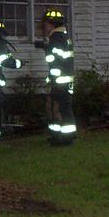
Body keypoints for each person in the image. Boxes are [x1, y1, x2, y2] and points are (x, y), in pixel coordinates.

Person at [36, 8, 76, 145]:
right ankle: (57, 136)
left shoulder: (56, 38)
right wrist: (46, 46)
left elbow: (56, 60)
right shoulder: (62, 36)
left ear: (51, 24)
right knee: (55, 107)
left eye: (46, 24)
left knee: (61, 109)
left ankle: (66, 138)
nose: (44, 27)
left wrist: (46, 47)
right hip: (62, 80)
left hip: (60, 81)